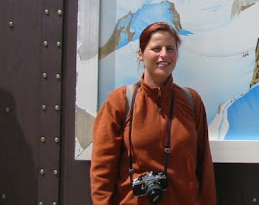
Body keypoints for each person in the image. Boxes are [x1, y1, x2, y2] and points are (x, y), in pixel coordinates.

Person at [90, 22, 217, 204]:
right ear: (140, 54)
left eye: (170, 49)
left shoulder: (191, 101)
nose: (163, 55)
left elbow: (203, 169)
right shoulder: (119, 102)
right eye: (156, 48)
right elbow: (102, 171)